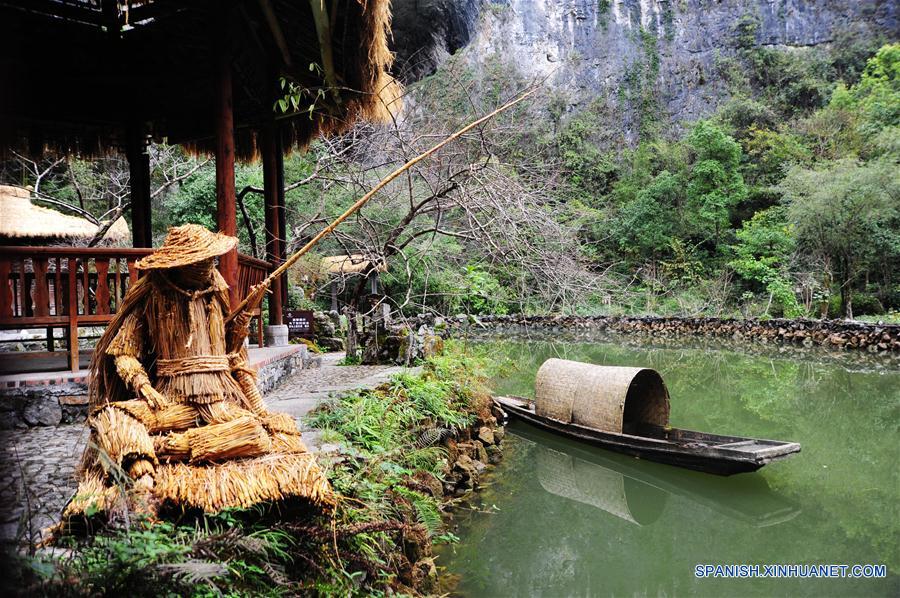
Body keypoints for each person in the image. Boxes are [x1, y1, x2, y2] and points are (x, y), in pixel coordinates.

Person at [64, 224, 331, 522]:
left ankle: (173, 449)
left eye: (211, 259)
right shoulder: (154, 294)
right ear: (181, 264)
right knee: (114, 417)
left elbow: (234, 357)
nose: (209, 266)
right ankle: (143, 479)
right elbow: (124, 351)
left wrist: (258, 406)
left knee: (255, 431)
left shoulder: (217, 292)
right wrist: (142, 385)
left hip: (219, 400)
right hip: (170, 401)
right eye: (202, 260)